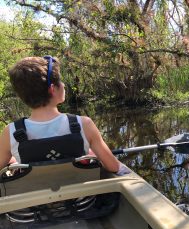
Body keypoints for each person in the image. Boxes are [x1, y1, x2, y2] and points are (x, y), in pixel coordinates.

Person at [0, 56, 129, 175]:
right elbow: (113, 167)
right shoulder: (84, 124)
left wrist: (14, 162)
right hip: (83, 200)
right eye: (60, 81)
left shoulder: (10, 133)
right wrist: (92, 155)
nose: (63, 85)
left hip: (38, 200)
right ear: (52, 88)